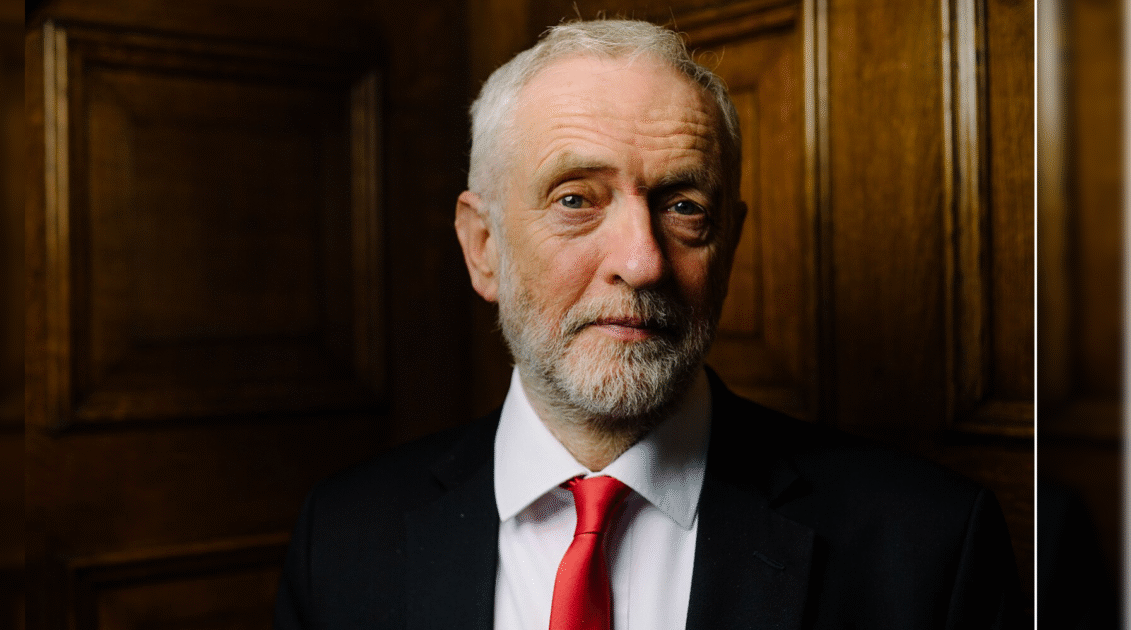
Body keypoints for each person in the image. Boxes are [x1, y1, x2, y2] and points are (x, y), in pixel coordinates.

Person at [274, 19, 1023, 629]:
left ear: (727, 247)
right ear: (483, 249)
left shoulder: (928, 548)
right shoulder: (340, 539)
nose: (641, 260)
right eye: (575, 199)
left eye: (683, 206)